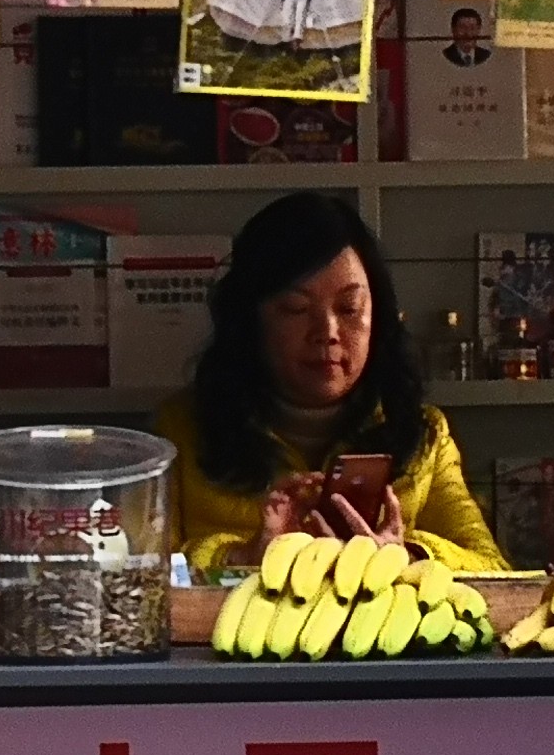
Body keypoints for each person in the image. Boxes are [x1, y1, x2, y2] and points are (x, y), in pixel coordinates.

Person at [160, 192, 504, 575]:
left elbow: (494, 571)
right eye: (296, 309)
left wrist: (407, 556)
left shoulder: (424, 435)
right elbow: (141, 581)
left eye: (348, 309)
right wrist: (242, 558)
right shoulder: (181, 432)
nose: (327, 333)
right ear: (249, 320)